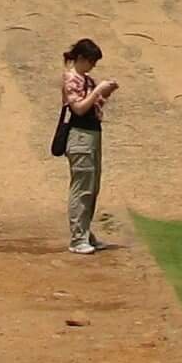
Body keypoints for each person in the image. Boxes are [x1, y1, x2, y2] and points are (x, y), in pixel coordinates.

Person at [58, 37, 118, 255]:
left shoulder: (88, 80)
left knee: (92, 187)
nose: (93, 66)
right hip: (79, 136)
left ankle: (84, 231)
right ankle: (77, 238)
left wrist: (105, 91)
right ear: (81, 58)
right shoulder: (71, 79)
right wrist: (97, 90)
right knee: (81, 187)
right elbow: (79, 109)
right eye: (91, 61)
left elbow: (95, 106)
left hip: (93, 134)